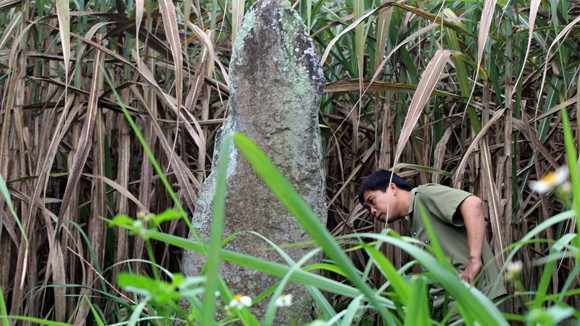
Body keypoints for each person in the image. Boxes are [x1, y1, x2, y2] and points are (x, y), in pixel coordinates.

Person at [358, 169, 506, 317]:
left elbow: (473, 204)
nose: (372, 211)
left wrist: (474, 262)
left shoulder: (424, 197)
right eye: (368, 208)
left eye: (372, 201)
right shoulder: (413, 219)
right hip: (455, 307)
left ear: (393, 188)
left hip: (477, 298)